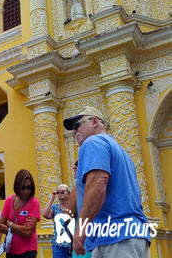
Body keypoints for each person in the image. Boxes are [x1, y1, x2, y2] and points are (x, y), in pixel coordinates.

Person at [63, 106, 150, 258]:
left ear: (95, 122)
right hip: (133, 234)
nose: (74, 132)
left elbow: (97, 184)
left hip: (115, 237)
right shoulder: (122, 152)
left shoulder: (93, 142)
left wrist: (81, 228)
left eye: (77, 126)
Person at [0, 169, 40, 258]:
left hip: (28, 251)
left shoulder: (34, 202)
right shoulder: (9, 201)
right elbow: (0, 226)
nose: (26, 191)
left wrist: (10, 225)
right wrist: (21, 229)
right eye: (23, 187)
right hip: (11, 249)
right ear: (17, 186)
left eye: (29, 187)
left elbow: (28, 232)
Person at [42, 184, 72, 258]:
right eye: (58, 192)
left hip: (71, 244)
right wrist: (52, 198)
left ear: (69, 193)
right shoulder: (55, 207)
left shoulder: (73, 207)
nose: (60, 194)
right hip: (58, 244)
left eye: (62, 192)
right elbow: (45, 214)